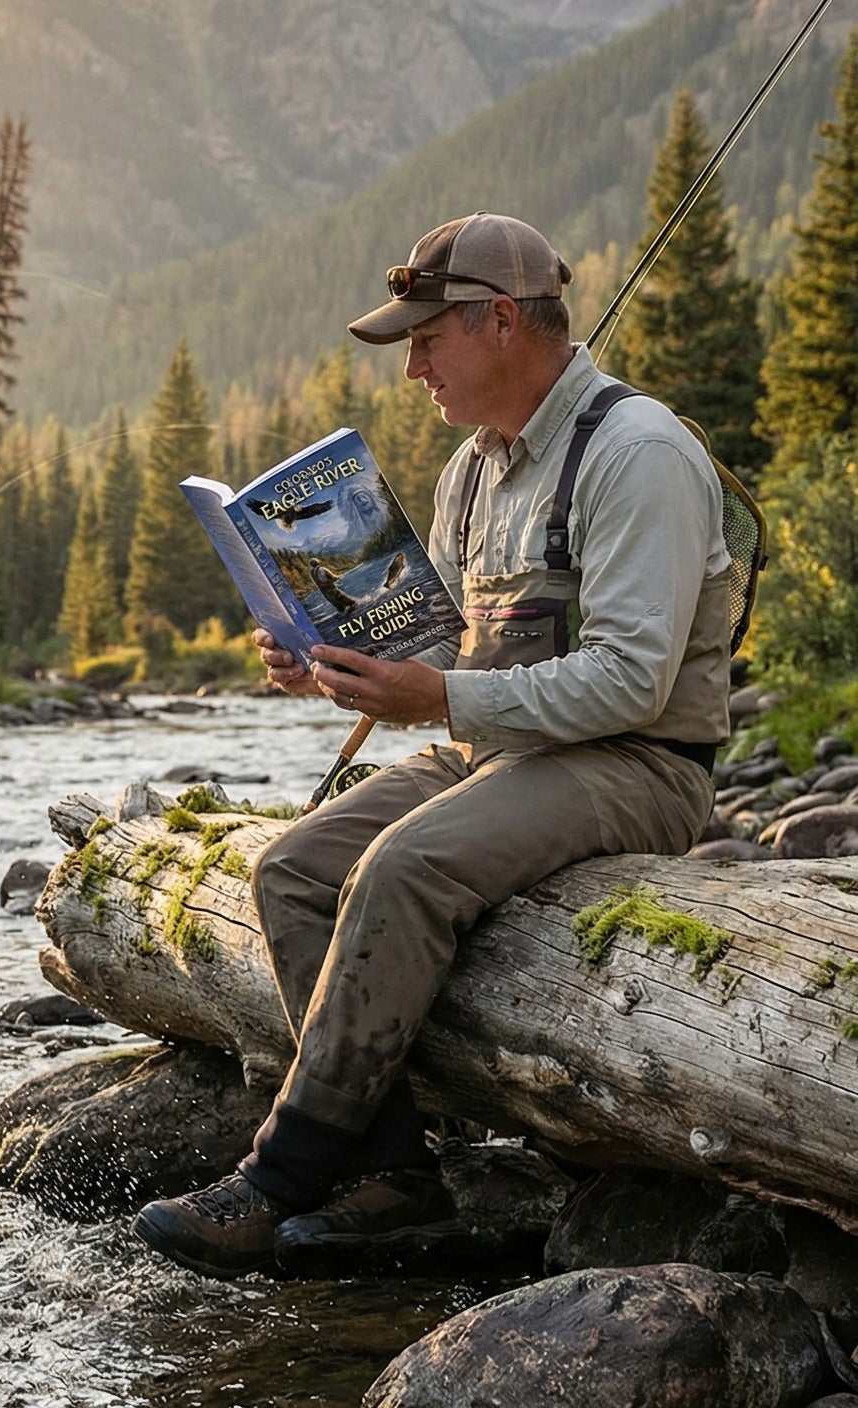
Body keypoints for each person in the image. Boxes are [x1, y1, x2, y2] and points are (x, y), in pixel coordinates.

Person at [135, 211, 731, 1279]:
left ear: (500, 321)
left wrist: (440, 697)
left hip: (640, 763)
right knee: (290, 869)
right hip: (503, 749)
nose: (412, 369)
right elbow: (447, 639)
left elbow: (632, 680)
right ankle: (392, 1178)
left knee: (401, 867)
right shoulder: (473, 468)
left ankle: (281, 1173)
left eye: (425, 339)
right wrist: (326, 659)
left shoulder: (639, 454)